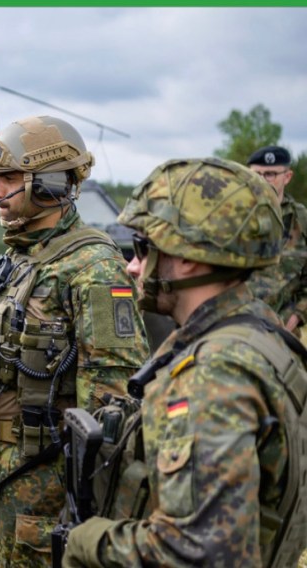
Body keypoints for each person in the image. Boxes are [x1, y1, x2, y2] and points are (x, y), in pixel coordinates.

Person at [62, 157, 307, 567]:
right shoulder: (264, 334)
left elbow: (198, 551)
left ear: (188, 258)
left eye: (143, 248)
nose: (132, 265)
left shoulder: (214, 373)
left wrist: (88, 540)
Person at [0, 115, 149, 566]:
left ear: (50, 184)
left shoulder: (92, 268)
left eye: (8, 178)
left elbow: (114, 402)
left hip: (42, 480)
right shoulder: (17, 257)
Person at [245, 145, 307, 335]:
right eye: (257, 174)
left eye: (270, 174)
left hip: (284, 334)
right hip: (234, 329)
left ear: (287, 177)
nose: (263, 180)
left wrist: (295, 317)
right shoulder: (233, 217)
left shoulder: (302, 221)